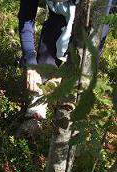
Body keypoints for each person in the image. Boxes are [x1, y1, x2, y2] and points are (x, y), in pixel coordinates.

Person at [18, 0, 116, 129]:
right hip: (59, 18)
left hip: (93, 28)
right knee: (42, 81)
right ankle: (33, 120)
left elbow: (96, 38)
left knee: (73, 92)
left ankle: (65, 130)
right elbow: (26, 17)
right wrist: (31, 64)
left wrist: (66, 72)